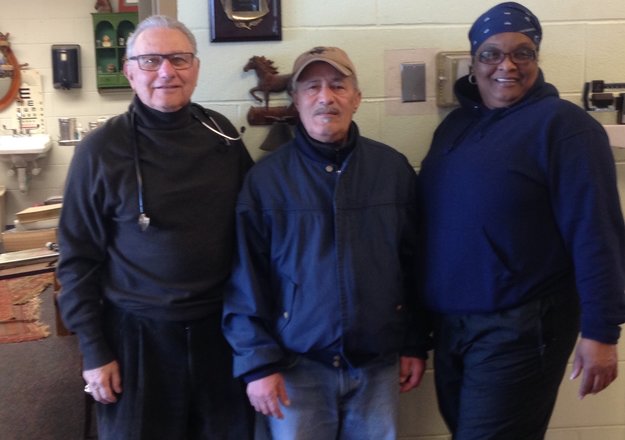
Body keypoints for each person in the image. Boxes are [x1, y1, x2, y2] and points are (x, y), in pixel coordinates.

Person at [418, 3, 625, 439]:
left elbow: (597, 232)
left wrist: (602, 331)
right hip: (454, 326)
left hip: (520, 326)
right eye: (491, 54)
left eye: (523, 53)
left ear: (537, 60)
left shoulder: (565, 127)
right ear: (473, 63)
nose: (506, 65)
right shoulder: (454, 126)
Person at [56, 15, 254, 440]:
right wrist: (94, 349)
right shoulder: (99, 151)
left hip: (220, 335)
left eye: (179, 59)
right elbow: (77, 260)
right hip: (135, 341)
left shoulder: (223, 137)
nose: (166, 71)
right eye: (149, 61)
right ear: (129, 72)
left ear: (196, 69)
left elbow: (253, 239)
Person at [222, 46, 430, 440]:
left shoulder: (392, 170)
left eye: (338, 86)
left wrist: (415, 343)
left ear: (356, 98)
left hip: (378, 367)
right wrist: (257, 364)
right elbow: (244, 278)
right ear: (296, 100)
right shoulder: (266, 180)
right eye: (312, 87)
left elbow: (414, 265)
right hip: (294, 369)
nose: (325, 97)